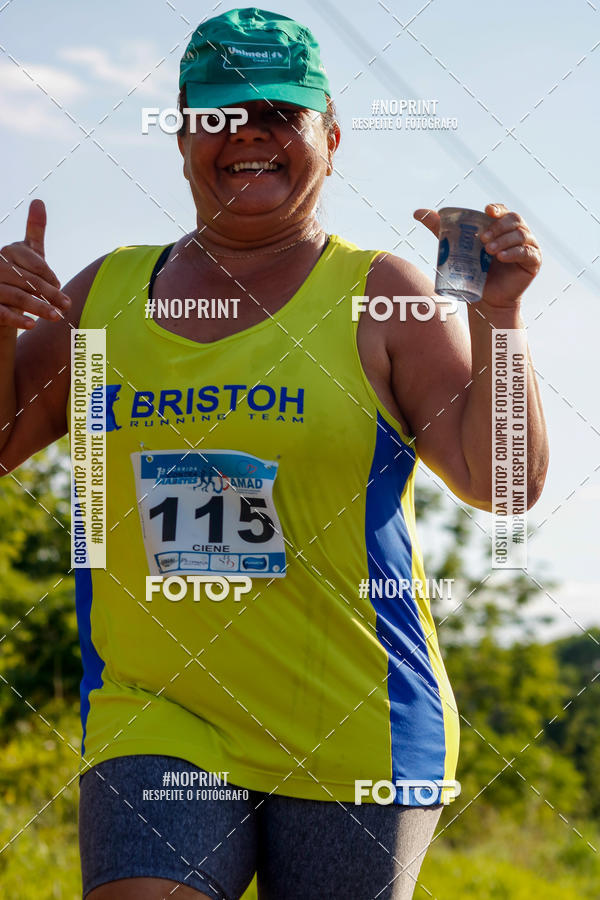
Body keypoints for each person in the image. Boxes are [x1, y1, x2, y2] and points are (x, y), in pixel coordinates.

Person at [0, 8, 548, 899]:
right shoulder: (104, 294)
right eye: (219, 114)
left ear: (330, 138)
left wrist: (501, 318)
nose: (248, 134)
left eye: (279, 115)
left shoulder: (382, 295)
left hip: (354, 721)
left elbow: (507, 483)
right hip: (158, 709)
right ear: (183, 136)